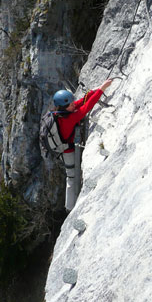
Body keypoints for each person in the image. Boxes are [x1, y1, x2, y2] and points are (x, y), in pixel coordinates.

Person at [53, 79, 113, 211]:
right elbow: (87, 107)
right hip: (67, 151)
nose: (73, 105)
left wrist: (97, 88)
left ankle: (72, 204)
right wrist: (102, 89)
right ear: (64, 107)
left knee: (73, 176)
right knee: (71, 177)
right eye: (70, 104)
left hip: (67, 145)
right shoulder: (69, 118)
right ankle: (70, 208)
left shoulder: (61, 113)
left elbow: (81, 102)